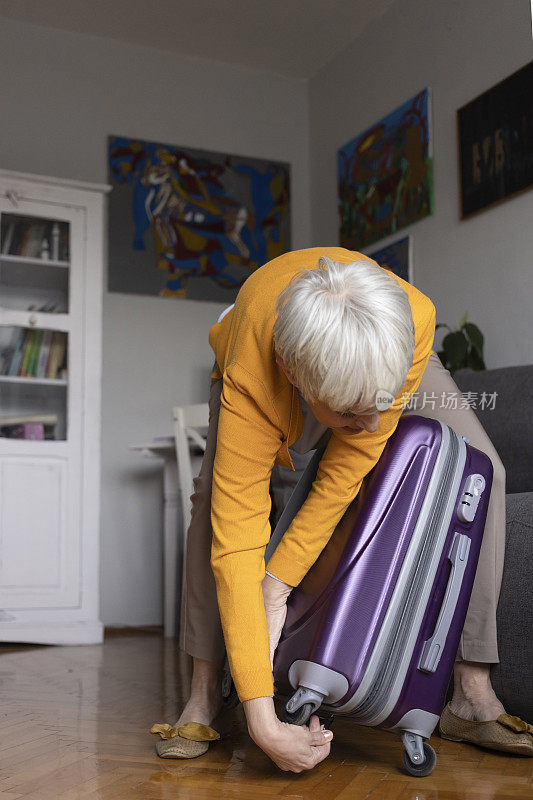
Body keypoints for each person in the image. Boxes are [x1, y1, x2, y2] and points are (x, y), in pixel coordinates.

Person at [150, 247, 532, 769]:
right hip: (255, 351)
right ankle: (205, 694)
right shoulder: (254, 378)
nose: (373, 428)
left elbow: (344, 473)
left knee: (485, 467)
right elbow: (238, 542)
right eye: (352, 413)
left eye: (379, 408)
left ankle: (470, 693)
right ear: (293, 374)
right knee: (213, 507)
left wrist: (278, 584)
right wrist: (265, 721)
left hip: (380, 350)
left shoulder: (412, 321)